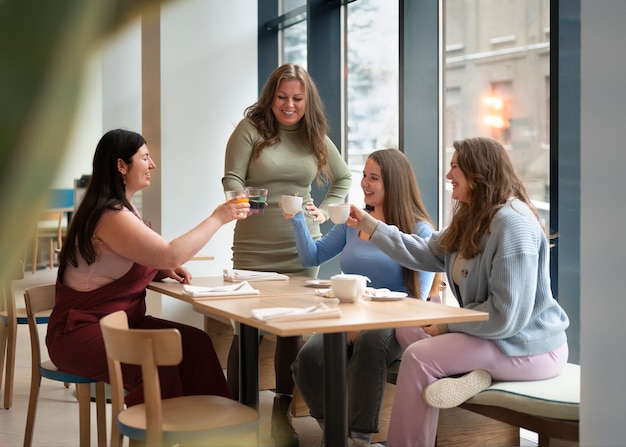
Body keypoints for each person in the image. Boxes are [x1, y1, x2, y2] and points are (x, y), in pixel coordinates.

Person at [347, 136, 570, 447]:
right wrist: (372, 226)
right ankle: (477, 373)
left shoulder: (513, 226)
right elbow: (426, 252)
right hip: (491, 337)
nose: (448, 175)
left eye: (455, 167)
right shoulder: (472, 216)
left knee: (419, 357)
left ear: (478, 173)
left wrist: (447, 325)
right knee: (407, 330)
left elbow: (505, 318)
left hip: (526, 347)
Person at [46, 129, 250, 408]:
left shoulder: (123, 209)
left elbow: (127, 259)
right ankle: (157, 434)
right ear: (121, 165)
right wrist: (219, 217)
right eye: (144, 157)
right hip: (80, 333)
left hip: (119, 323)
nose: (152, 164)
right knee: (158, 362)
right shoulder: (111, 215)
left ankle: (213, 431)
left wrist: (159, 270)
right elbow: (169, 253)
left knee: (195, 343)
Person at [222, 63, 352, 447]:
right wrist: (241, 198)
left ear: (307, 99)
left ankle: (281, 417)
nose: (289, 105)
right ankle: (236, 418)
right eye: (282, 97)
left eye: (297, 98)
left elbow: (344, 177)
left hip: (302, 246)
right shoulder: (251, 130)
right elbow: (231, 176)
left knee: (291, 334)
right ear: (271, 96)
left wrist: (326, 210)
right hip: (254, 245)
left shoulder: (315, 136)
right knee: (245, 330)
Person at [286, 148, 441, 447]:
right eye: (364, 176)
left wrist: (366, 325)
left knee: (370, 344)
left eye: (374, 178)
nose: (364, 184)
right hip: (349, 316)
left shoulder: (418, 229)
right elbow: (311, 255)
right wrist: (296, 220)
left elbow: (417, 298)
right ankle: (333, 430)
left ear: (393, 183)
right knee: (307, 359)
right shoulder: (353, 221)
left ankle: (360, 439)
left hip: (396, 322)